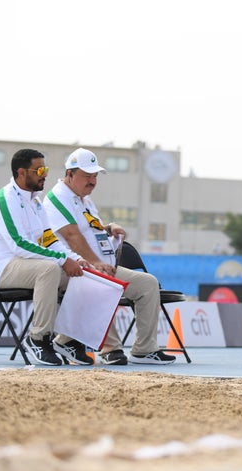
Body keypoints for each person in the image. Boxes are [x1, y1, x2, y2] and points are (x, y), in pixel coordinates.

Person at [43, 148, 176, 365]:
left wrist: (108, 228)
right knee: (106, 283)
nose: (93, 181)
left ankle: (144, 350)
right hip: (76, 267)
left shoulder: (83, 199)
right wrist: (96, 263)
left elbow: (89, 229)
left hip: (103, 265)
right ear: (70, 174)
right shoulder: (58, 198)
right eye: (87, 176)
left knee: (148, 284)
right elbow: (71, 235)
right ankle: (108, 348)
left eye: (95, 176)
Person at [0, 148, 92, 366]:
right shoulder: (5, 199)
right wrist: (61, 260)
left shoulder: (36, 202)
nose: (45, 174)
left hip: (28, 265)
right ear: (21, 172)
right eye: (39, 169)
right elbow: (18, 244)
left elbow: (49, 239)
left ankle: (67, 340)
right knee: (49, 269)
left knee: (81, 274)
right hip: (4, 266)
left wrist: (74, 258)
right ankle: (38, 338)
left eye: (46, 168)